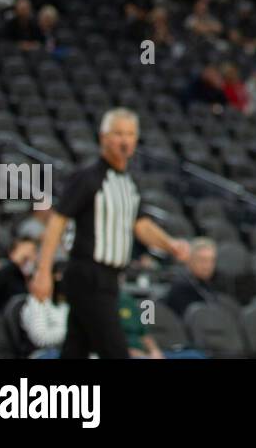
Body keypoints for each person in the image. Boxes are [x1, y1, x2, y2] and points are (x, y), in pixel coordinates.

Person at [30, 108, 190, 359]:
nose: (124, 140)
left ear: (136, 140)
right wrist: (43, 272)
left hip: (111, 279)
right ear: (103, 137)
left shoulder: (129, 184)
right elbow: (57, 222)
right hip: (87, 274)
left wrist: (171, 244)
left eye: (130, 134)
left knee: (75, 349)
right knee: (115, 351)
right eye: (118, 133)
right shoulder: (87, 178)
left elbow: (141, 226)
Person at [0, 235, 37, 310]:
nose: (28, 259)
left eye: (33, 253)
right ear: (12, 253)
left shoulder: (38, 277)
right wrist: (16, 263)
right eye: (24, 256)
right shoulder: (6, 273)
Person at [162, 237, 219, 316]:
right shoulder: (180, 286)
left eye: (211, 260)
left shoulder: (212, 283)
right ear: (190, 259)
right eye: (203, 260)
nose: (207, 266)